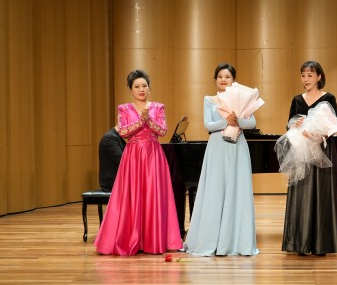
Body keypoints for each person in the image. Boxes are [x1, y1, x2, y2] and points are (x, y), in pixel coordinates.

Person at [94, 69, 183, 256]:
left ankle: (152, 239)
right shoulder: (124, 109)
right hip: (133, 157)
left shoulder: (158, 107)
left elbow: (163, 131)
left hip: (153, 156)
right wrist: (140, 122)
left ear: (149, 88)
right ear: (131, 89)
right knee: (132, 196)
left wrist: (148, 120)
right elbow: (123, 132)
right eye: (137, 86)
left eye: (144, 86)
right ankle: (132, 239)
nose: (141, 89)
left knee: (153, 195)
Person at [183, 63, 259, 256]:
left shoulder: (242, 99)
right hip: (217, 147)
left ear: (233, 80)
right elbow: (208, 125)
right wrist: (227, 121)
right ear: (215, 80)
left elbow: (252, 123)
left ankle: (235, 241)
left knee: (237, 190)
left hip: (238, 147)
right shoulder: (209, 99)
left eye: (227, 76)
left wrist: (238, 120)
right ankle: (212, 240)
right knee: (215, 191)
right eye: (220, 76)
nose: (223, 79)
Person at [281, 60, 337, 256]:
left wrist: (319, 135)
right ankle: (300, 243)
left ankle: (321, 244)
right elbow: (288, 125)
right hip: (301, 152)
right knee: (302, 195)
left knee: (322, 195)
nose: (306, 79)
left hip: (322, 151)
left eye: (310, 75)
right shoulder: (297, 100)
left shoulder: (329, 98)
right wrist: (295, 125)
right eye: (303, 75)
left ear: (319, 77)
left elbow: (334, 126)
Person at [98, 127, 126, 192]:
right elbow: (123, 162)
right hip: (113, 184)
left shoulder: (118, 138)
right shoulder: (109, 138)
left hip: (120, 181)